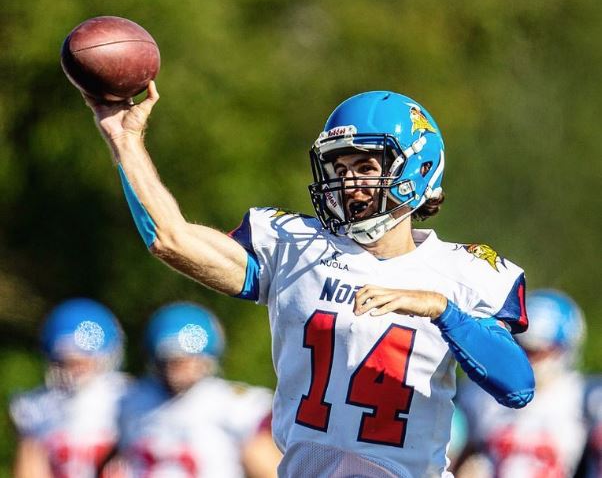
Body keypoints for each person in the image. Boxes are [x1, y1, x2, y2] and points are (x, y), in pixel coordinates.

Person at [83, 85, 535, 477]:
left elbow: (516, 387)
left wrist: (442, 310)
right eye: (339, 169)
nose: (348, 183)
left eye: (366, 167)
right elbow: (171, 239)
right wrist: (125, 140)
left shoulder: (463, 272)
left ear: (417, 172)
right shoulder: (296, 246)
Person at [111, 301, 280, 477]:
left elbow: (266, 464)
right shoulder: (131, 399)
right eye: (171, 361)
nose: (178, 371)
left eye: (186, 361)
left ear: (207, 360)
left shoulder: (229, 403)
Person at [454, 289, 589, 478]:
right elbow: (455, 454)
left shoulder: (583, 398)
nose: (529, 359)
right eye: (524, 348)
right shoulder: (479, 393)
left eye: (539, 352)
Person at [9, 297, 128, 478]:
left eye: (82, 362)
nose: (75, 371)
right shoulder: (38, 406)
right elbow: (30, 470)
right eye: (66, 362)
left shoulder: (126, 396)